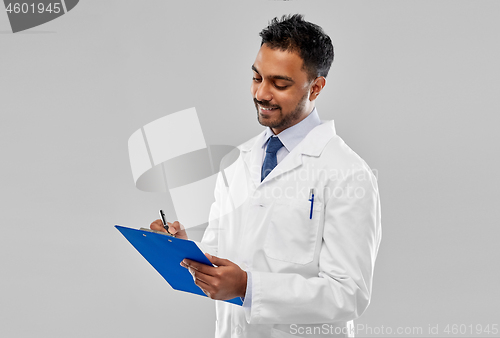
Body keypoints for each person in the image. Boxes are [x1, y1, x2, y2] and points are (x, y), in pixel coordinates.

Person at [151, 14, 381, 338]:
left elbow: (349, 294)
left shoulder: (348, 174)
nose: (261, 93)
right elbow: (223, 255)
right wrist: (185, 248)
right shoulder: (237, 163)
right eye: (257, 78)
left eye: (279, 83)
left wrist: (248, 286)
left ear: (315, 87)